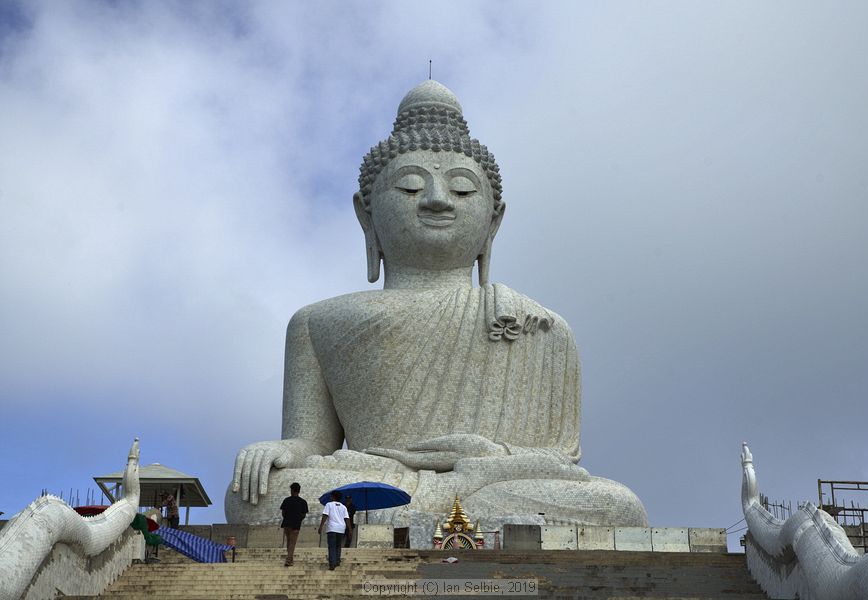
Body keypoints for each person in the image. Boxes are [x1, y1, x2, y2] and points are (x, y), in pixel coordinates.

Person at [227, 80, 648, 529]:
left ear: (494, 220)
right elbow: (312, 440)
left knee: (620, 507)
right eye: (410, 187)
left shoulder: (539, 326)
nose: (436, 199)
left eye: (463, 190)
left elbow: (555, 460)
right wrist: (282, 451)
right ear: (365, 215)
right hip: (376, 479)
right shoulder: (316, 322)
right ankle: (440, 506)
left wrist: (486, 461)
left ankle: (425, 506)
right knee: (256, 495)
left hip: (490, 482)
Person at [318, 491, 350, 570]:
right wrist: (350, 530)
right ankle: (337, 561)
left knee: (332, 546)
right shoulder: (343, 507)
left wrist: (321, 526)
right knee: (338, 545)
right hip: (341, 528)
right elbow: (347, 519)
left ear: (333, 497)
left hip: (332, 528)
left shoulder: (329, 505)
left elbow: (325, 515)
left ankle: (332, 563)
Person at [279, 482, 308, 567]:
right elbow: (304, 515)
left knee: (289, 541)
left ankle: (289, 558)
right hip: (296, 524)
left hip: (287, 523)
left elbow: (283, 512)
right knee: (292, 542)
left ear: (292, 490)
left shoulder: (286, 500)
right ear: (299, 491)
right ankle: (289, 559)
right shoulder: (303, 502)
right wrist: (298, 519)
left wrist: (287, 517)